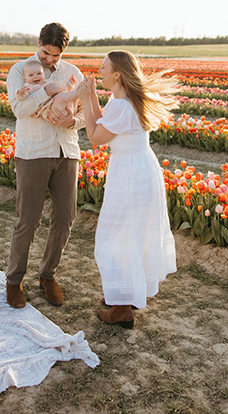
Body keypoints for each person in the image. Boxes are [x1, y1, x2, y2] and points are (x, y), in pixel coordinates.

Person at [76, 51, 178, 328]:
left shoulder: (121, 106)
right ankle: (126, 295)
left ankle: (121, 308)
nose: (100, 70)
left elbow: (96, 136)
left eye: (104, 66)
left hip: (130, 175)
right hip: (139, 168)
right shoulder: (123, 101)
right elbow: (102, 123)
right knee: (132, 233)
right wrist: (93, 97)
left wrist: (85, 98)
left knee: (115, 236)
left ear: (117, 74)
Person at [5, 22, 84, 309]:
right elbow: (20, 109)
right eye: (45, 53)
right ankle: (14, 280)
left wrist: (72, 121)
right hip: (33, 152)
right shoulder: (19, 70)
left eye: (55, 56)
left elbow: (86, 110)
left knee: (65, 218)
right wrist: (48, 90)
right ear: (38, 42)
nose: (49, 60)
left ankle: (48, 274)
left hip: (67, 151)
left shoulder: (73, 73)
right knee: (28, 220)